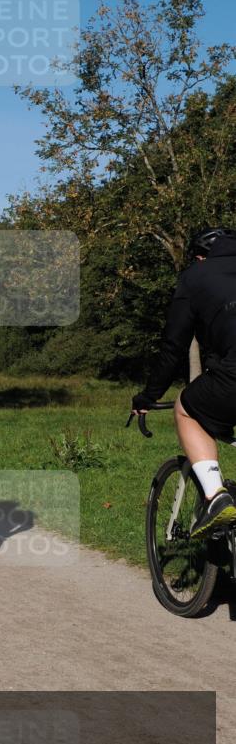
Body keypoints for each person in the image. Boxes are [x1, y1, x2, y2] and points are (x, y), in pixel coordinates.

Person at [132, 226, 236, 538]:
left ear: (201, 257)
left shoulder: (194, 277)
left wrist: (148, 396)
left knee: (187, 406)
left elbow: (173, 347)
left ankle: (216, 497)